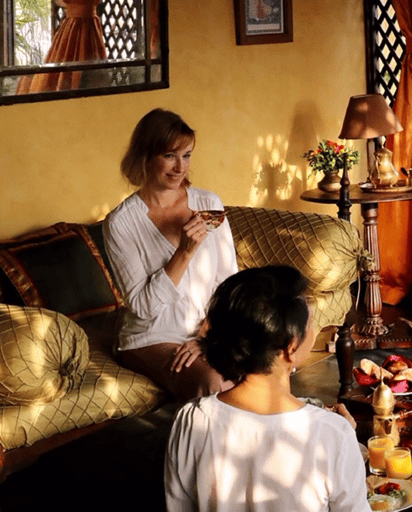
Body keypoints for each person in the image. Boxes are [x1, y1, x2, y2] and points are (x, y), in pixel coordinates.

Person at [164, 266, 370, 512]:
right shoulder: (332, 435)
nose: (314, 330)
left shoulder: (191, 420)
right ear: (290, 348)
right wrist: (342, 436)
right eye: (311, 323)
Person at [103, 108, 239, 401]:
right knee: (212, 382)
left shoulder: (208, 204)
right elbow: (143, 307)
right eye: (169, 155)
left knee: (261, 365)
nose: (180, 167)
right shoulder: (121, 223)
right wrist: (184, 252)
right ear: (145, 156)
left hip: (205, 330)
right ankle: (202, 446)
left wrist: (207, 337)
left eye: (187, 155)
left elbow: (229, 284)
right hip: (152, 337)